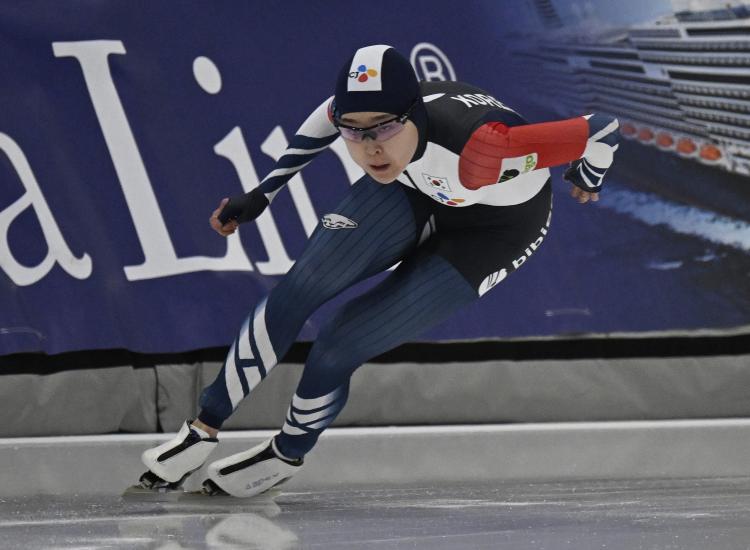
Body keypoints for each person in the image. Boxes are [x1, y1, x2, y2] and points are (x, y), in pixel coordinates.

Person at [136, 45, 619, 497]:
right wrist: (264, 192)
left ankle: (285, 454)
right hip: (414, 186)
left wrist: (589, 174)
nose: (370, 148)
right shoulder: (375, 132)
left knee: (340, 343)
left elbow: (601, 129)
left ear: (415, 113)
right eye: (355, 131)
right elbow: (328, 116)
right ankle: (201, 430)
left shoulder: (484, 150)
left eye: (384, 128)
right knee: (300, 287)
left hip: (494, 232)